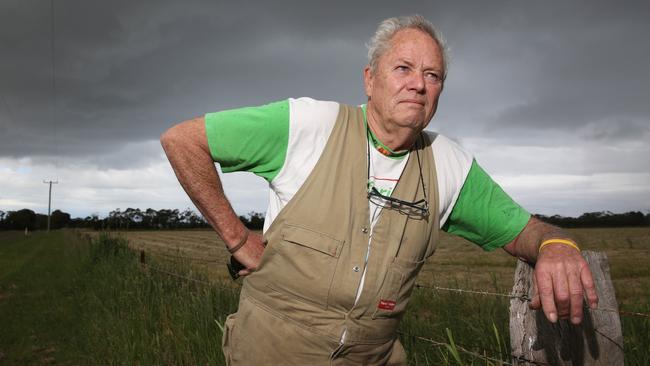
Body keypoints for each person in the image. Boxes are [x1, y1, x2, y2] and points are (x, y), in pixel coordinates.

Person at [161, 15, 598, 365]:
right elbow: (183, 140)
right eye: (403, 68)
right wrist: (237, 239)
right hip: (271, 353)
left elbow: (522, 229)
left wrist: (556, 244)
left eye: (433, 75)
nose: (419, 84)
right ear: (370, 80)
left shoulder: (449, 164)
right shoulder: (308, 125)